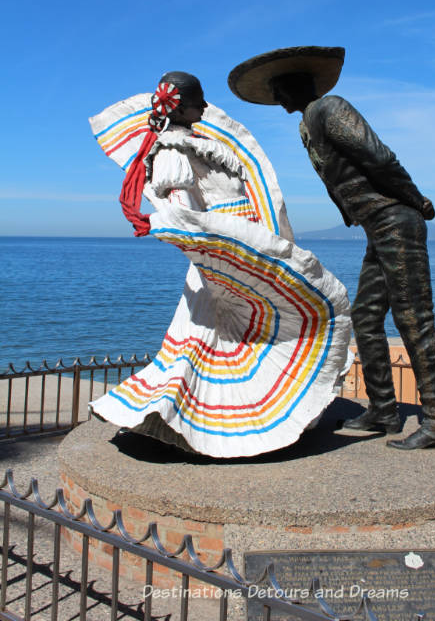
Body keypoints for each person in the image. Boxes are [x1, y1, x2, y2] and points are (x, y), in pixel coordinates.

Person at [88, 70, 352, 458]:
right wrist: (223, 252)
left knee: (232, 342)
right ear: (181, 107)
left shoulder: (200, 143)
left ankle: (236, 419)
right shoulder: (171, 152)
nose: (206, 107)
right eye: (199, 101)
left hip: (240, 247)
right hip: (223, 257)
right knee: (217, 342)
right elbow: (185, 216)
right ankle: (201, 421)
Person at [228, 46, 435, 450]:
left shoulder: (330, 108)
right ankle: (384, 411)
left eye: (279, 89)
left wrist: (417, 199)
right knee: (366, 319)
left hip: (395, 221)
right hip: (377, 227)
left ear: (299, 85)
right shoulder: (308, 123)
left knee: (413, 320)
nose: (277, 98)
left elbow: (380, 158)